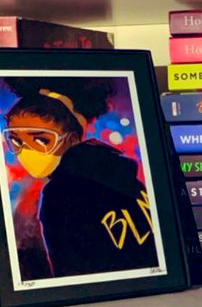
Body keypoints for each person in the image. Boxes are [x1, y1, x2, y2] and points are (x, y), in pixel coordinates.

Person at [2, 78, 158, 279]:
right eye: (16, 141)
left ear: (72, 139)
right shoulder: (122, 174)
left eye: (41, 140)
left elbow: (72, 275)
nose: (26, 151)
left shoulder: (61, 194)